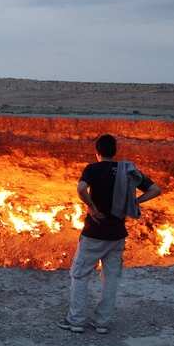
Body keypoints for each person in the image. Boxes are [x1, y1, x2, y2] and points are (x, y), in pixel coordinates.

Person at [58, 134, 162, 334]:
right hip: (117, 235)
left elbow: (81, 188)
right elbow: (155, 190)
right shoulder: (127, 170)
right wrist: (134, 203)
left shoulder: (92, 169)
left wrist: (92, 206)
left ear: (97, 152)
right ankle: (102, 322)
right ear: (115, 152)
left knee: (80, 275)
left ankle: (76, 320)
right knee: (111, 278)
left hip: (94, 233)